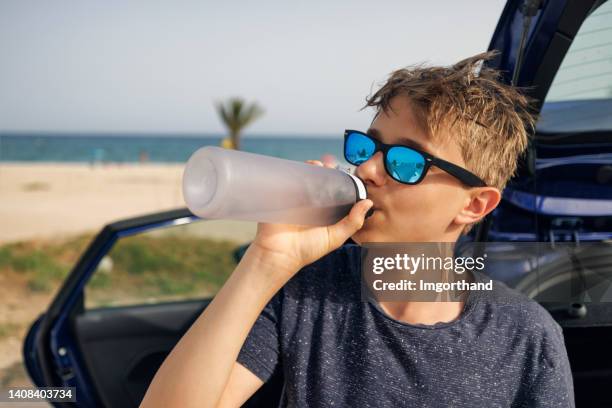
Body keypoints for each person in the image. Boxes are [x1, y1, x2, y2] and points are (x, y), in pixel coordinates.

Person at [141, 51, 575, 408]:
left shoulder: (525, 336)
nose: (366, 168)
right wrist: (266, 262)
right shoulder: (305, 289)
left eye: (406, 162)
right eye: (367, 146)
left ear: (474, 204)